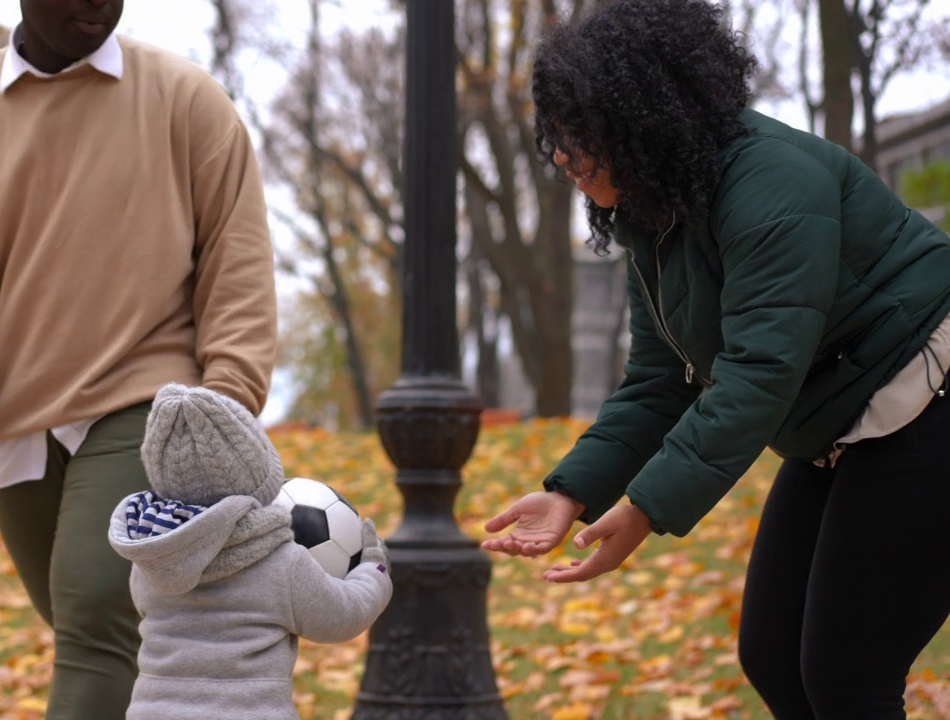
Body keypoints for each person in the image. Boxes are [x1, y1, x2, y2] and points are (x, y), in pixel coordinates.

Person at [480, 0, 950, 717]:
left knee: (847, 675)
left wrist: (644, 508)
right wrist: (572, 491)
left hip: (928, 400)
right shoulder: (658, 214)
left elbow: (758, 374)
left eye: (579, 134)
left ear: (640, 119)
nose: (562, 156)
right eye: (557, 133)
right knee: (774, 657)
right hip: (845, 417)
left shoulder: (773, 186)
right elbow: (660, 380)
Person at [0, 0, 277, 716]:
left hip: (153, 403)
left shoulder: (185, 100)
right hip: (15, 422)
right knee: (98, 634)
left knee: (98, 618)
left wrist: (225, 406)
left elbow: (238, 263)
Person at [107, 383, 392, 719]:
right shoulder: (280, 562)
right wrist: (373, 569)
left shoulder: (151, 559)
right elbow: (343, 616)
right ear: (259, 472)